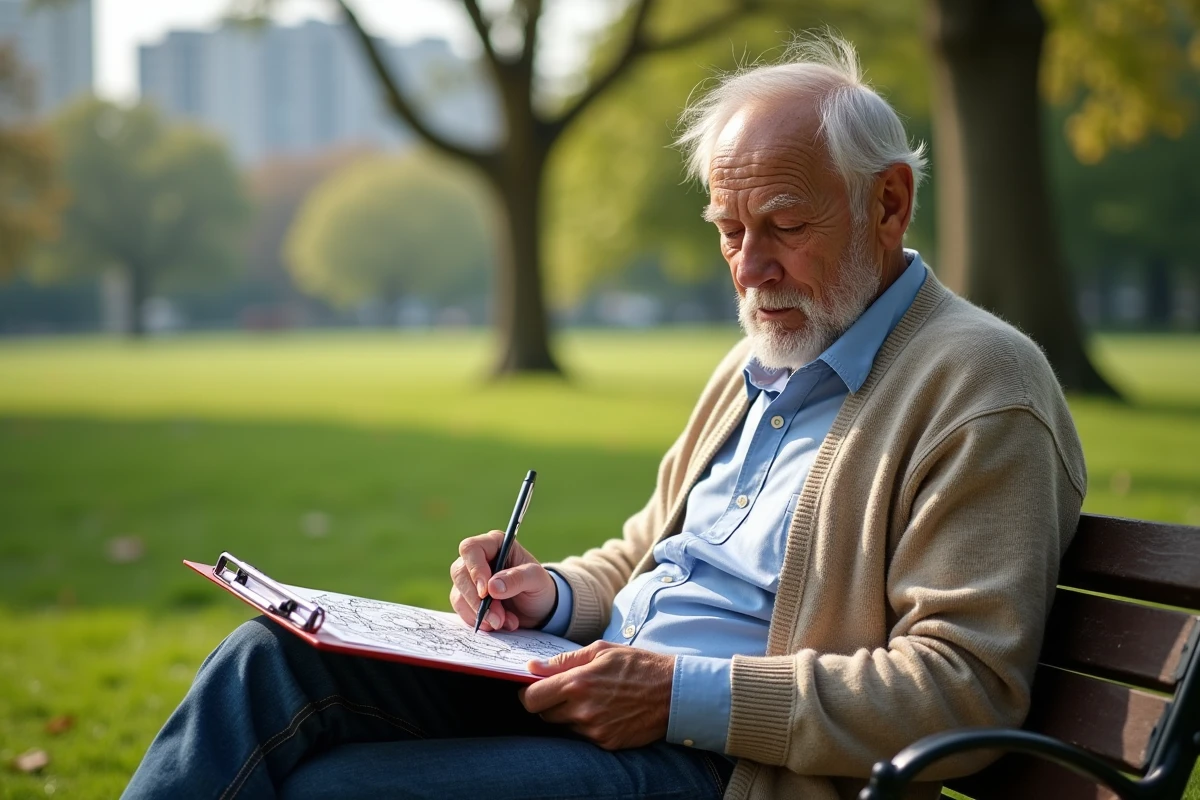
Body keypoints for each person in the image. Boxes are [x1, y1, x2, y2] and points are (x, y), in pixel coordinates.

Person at [122, 33, 1086, 800]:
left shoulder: (980, 387)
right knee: (269, 663)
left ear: (889, 203)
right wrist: (553, 599)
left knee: (335, 789)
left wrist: (676, 696)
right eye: (729, 231)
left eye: (785, 227)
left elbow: (963, 690)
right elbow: (650, 552)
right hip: (585, 684)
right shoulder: (765, 354)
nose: (750, 269)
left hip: (725, 769)